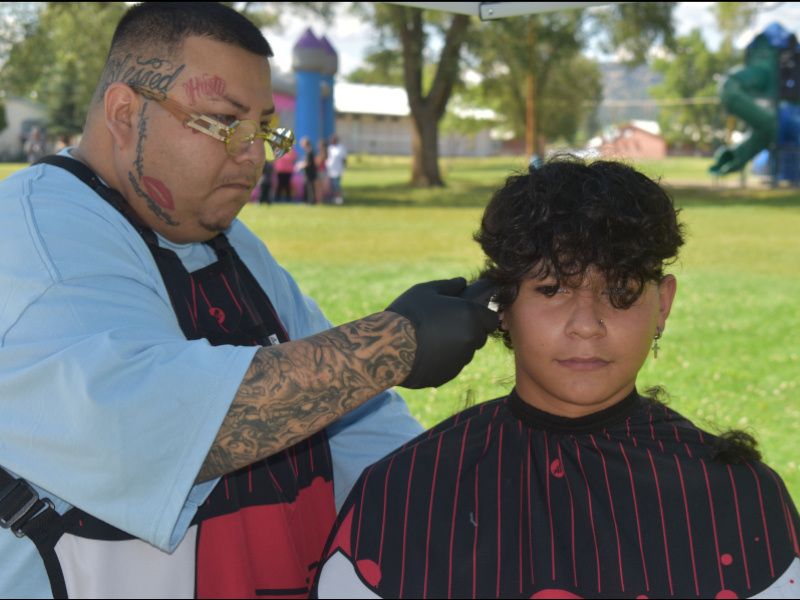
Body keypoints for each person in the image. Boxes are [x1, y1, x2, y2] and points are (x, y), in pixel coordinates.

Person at [0, 3, 497, 598]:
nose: (254, 155)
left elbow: (352, 424)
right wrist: (392, 344)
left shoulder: (228, 245)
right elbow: (147, 431)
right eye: (222, 121)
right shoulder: (39, 234)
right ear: (126, 112)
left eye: (262, 128)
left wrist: (475, 508)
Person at [313, 157, 800, 599]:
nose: (586, 323)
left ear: (663, 304)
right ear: (501, 302)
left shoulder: (739, 500)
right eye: (550, 289)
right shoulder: (405, 493)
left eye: (620, 289)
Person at [325, 134, 347, 205]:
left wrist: (344, 168)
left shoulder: (341, 148)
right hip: (330, 170)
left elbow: (344, 159)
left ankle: (339, 199)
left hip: (338, 169)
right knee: (332, 185)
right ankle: (335, 198)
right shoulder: (330, 148)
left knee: (336, 185)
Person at [296, 136, 318, 204]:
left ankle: (310, 201)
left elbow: (308, 163)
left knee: (309, 188)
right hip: (307, 173)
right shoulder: (308, 151)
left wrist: (300, 166)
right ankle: (307, 200)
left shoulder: (309, 151)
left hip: (310, 174)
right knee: (307, 187)